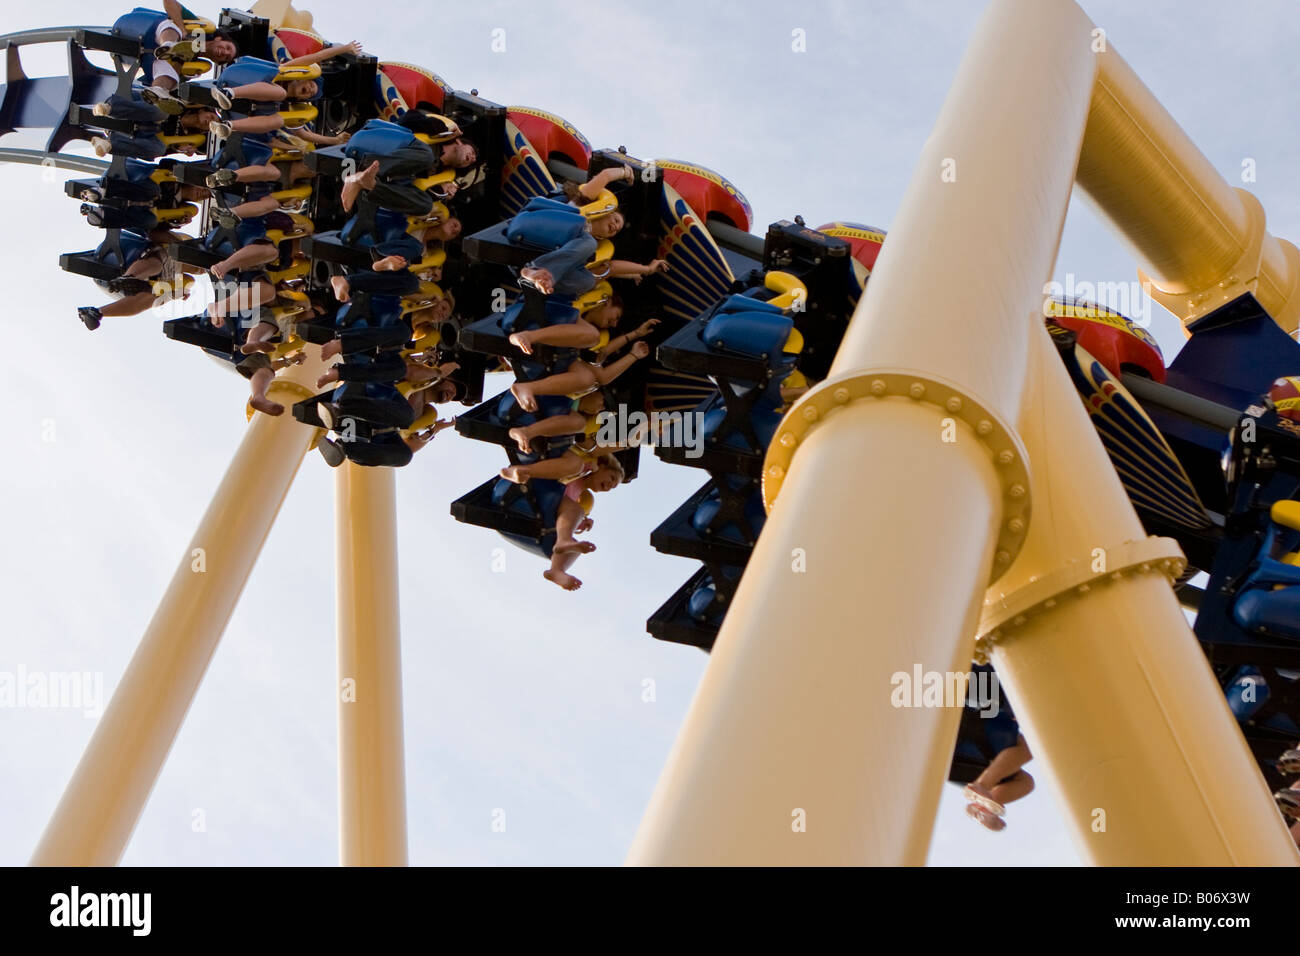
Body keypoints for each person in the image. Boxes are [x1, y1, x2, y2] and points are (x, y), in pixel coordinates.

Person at [510, 339, 652, 413]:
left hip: (547, 364)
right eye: (604, 404)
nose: (602, 407)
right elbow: (601, 362)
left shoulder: (571, 406)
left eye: (603, 404)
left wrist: (634, 350)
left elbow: (602, 368)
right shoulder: (583, 384)